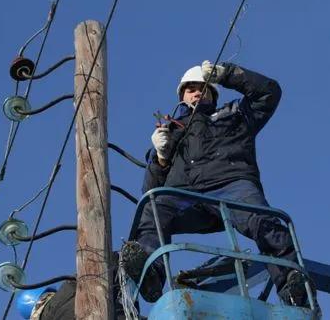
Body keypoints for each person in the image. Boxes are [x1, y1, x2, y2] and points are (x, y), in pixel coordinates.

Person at [120, 60, 321, 315]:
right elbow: (150, 189)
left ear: (213, 93)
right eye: (190, 88)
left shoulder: (234, 114)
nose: (196, 92)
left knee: (262, 219)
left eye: (203, 87)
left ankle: (293, 285)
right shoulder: (168, 134)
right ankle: (151, 275)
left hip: (232, 184)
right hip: (185, 196)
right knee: (154, 210)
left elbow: (269, 93)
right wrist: (160, 157)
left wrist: (229, 74)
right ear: (182, 95)